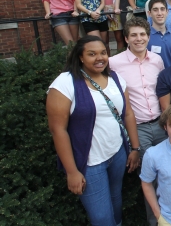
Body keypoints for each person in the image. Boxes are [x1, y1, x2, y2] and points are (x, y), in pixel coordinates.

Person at [46, 36, 140, 226]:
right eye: (92, 54)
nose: (99, 58)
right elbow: (58, 130)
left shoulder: (115, 78)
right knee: (101, 218)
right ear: (80, 57)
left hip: (117, 155)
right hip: (89, 163)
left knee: (115, 205)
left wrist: (135, 149)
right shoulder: (65, 83)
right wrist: (72, 172)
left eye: (103, 53)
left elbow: (128, 114)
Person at [109, 17, 167, 225]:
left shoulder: (157, 61)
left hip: (161, 125)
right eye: (133, 35)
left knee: (168, 174)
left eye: (142, 34)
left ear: (148, 37)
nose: (138, 38)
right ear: (126, 38)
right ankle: (156, 221)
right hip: (138, 128)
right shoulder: (114, 63)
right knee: (149, 178)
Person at [147, 0, 171, 68]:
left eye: (162, 9)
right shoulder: (145, 37)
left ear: (167, 12)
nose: (159, 13)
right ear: (149, 13)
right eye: (155, 10)